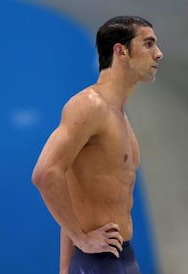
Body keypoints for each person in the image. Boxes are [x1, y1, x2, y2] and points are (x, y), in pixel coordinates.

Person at [31, 16, 163, 274]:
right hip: (100, 261)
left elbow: (71, 192)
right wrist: (81, 239)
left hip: (121, 257)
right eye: (148, 44)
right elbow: (45, 174)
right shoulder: (89, 106)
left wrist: (65, 269)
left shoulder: (120, 117)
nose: (159, 54)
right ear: (120, 51)